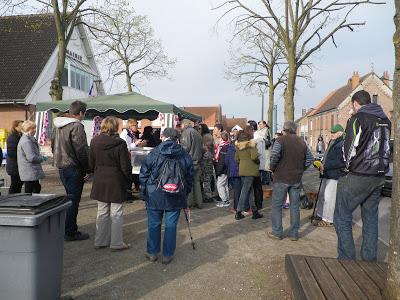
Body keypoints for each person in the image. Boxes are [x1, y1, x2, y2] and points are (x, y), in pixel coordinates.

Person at [334, 90, 391, 261]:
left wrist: (344, 168)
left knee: (342, 217)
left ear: (355, 103)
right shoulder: (385, 120)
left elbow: (348, 148)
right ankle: (369, 260)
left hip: (358, 174)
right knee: (371, 219)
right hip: (378, 175)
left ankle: (347, 259)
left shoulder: (357, 119)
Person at [139, 128, 194, 264]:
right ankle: (167, 255)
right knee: (171, 225)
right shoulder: (184, 155)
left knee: (154, 224)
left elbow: (144, 174)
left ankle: (152, 252)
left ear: (164, 137)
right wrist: (184, 193)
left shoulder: (154, 152)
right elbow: (189, 177)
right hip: (175, 195)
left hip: (154, 194)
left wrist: (144, 191)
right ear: (177, 138)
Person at [90, 116, 133, 251]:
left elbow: (90, 164)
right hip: (115, 180)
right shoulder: (120, 143)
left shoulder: (95, 141)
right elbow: (125, 166)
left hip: (100, 179)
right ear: (115, 127)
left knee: (102, 212)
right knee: (116, 213)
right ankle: (116, 243)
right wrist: (129, 180)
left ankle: (100, 241)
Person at [268, 121, 314, 241]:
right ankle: (294, 233)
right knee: (295, 206)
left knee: (277, 206)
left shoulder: (280, 140)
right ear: (295, 129)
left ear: (284, 129)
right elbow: (310, 158)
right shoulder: (301, 142)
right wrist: (301, 169)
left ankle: (277, 232)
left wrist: (272, 168)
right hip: (296, 178)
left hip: (281, 177)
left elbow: (274, 156)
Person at [53, 100, 90, 241]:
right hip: (74, 167)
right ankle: (70, 232)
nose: (83, 116)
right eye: (84, 114)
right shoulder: (76, 126)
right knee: (73, 201)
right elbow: (81, 150)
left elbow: (53, 145)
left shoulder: (57, 125)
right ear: (81, 113)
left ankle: (67, 228)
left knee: (69, 199)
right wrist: (87, 169)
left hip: (62, 166)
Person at [313, 124, 346, 227]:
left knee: (329, 197)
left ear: (340, 133)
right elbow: (327, 156)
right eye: (332, 132)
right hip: (326, 173)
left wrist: (325, 166)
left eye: (334, 132)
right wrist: (321, 163)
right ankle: (320, 214)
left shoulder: (342, 144)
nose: (332, 134)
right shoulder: (333, 142)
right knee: (322, 195)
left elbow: (340, 161)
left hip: (334, 174)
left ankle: (328, 219)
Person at [234, 126, 263, 220]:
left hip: (242, 170)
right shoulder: (251, 144)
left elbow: (236, 159)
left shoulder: (238, 145)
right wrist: (258, 161)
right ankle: (238, 211)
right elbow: (254, 157)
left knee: (250, 191)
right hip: (251, 170)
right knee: (245, 191)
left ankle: (254, 212)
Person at [17, 121, 46, 193]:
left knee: (35, 187)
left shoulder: (28, 139)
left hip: (30, 170)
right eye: (33, 128)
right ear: (28, 129)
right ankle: (28, 204)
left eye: (35, 128)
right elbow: (31, 157)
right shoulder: (26, 141)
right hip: (29, 170)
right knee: (31, 190)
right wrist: (42, 158)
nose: (35, 130)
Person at [180, 120, 204, 209]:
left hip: (189, 162)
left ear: (184, 125)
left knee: (188, 183)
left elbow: (185, 147)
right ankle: (199, 202)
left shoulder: (187, 132)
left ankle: (189, 204)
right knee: (197, 183)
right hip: (198, 161)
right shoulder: (197, 133)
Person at [120, 119, 143, 193]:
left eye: (137, 125)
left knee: (131, 176)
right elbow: (125, 147)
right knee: (127, 177)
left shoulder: (132, 134)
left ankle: (129, 193)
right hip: (126, 158)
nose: (137, 127)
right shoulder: (125, 134)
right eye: (135, 125)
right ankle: (126, 195)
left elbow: (133, 145)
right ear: (130, 126)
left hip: (132, 159)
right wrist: (135, 144)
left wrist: (140, 144)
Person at [248, 120, 266, 210]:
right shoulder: (258, 136)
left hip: (256, 164)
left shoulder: (256, 137)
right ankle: (258, 203)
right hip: (258, 164)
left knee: (256, 185)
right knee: (257, 185)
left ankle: (258, 204)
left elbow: (257, 153)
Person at [199, 123, 217, 202]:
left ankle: (208, 196)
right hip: (209, 157)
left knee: (206, 178)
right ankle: (209, 194)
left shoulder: (205, 137)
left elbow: (206, 147)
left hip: (206, 158)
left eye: (200, 128)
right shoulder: (209, 136)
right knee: (208, 177)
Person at [6, 120, 23, 193]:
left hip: (18, 165)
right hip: (14, 166)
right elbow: (11, 153)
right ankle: (11, 200)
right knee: (15, 186)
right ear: (16, 127)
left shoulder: (19, 135)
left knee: (18, 185)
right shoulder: (13, 137)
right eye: (21, 126)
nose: (23, 127)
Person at [215, 131, 230, 207]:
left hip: (223, 169)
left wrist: (219, 171)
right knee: (225, 184)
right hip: (227, 169)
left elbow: (221, 161)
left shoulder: (222, 148)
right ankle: (227, 199)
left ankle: (224, 200)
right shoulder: (228, 145)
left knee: (219, 184)